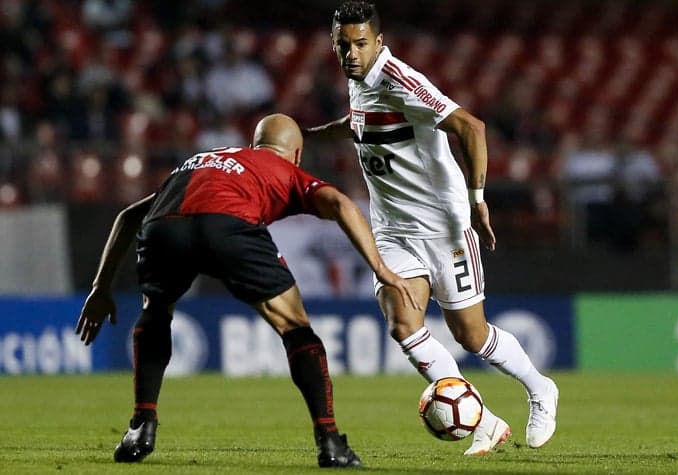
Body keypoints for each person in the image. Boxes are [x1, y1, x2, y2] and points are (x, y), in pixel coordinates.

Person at [75, 113, 420, 468]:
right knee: (296, 328)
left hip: (165, 228)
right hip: (229, 225)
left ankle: (141, 426)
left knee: (156, 310)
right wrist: (380, 267)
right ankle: (330, 441)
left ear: (254, 144)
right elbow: (341, 204)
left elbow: (128, 217)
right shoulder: (285, 169)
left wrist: (101, 287)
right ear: (297, 154)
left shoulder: (201, 161)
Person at [303, 1, 558, 455]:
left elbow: (471, 127)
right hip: (394, 231)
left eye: (361, 43)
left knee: (471, 336)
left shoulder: (400, 79)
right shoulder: (356, 83)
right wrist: (304, 137)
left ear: (379, 42)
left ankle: (541, 390)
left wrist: (479, 200)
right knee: (402, 321)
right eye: (343, 45)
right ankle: (483, 421)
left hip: (443, 226)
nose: (351, 53)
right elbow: (358, 126)